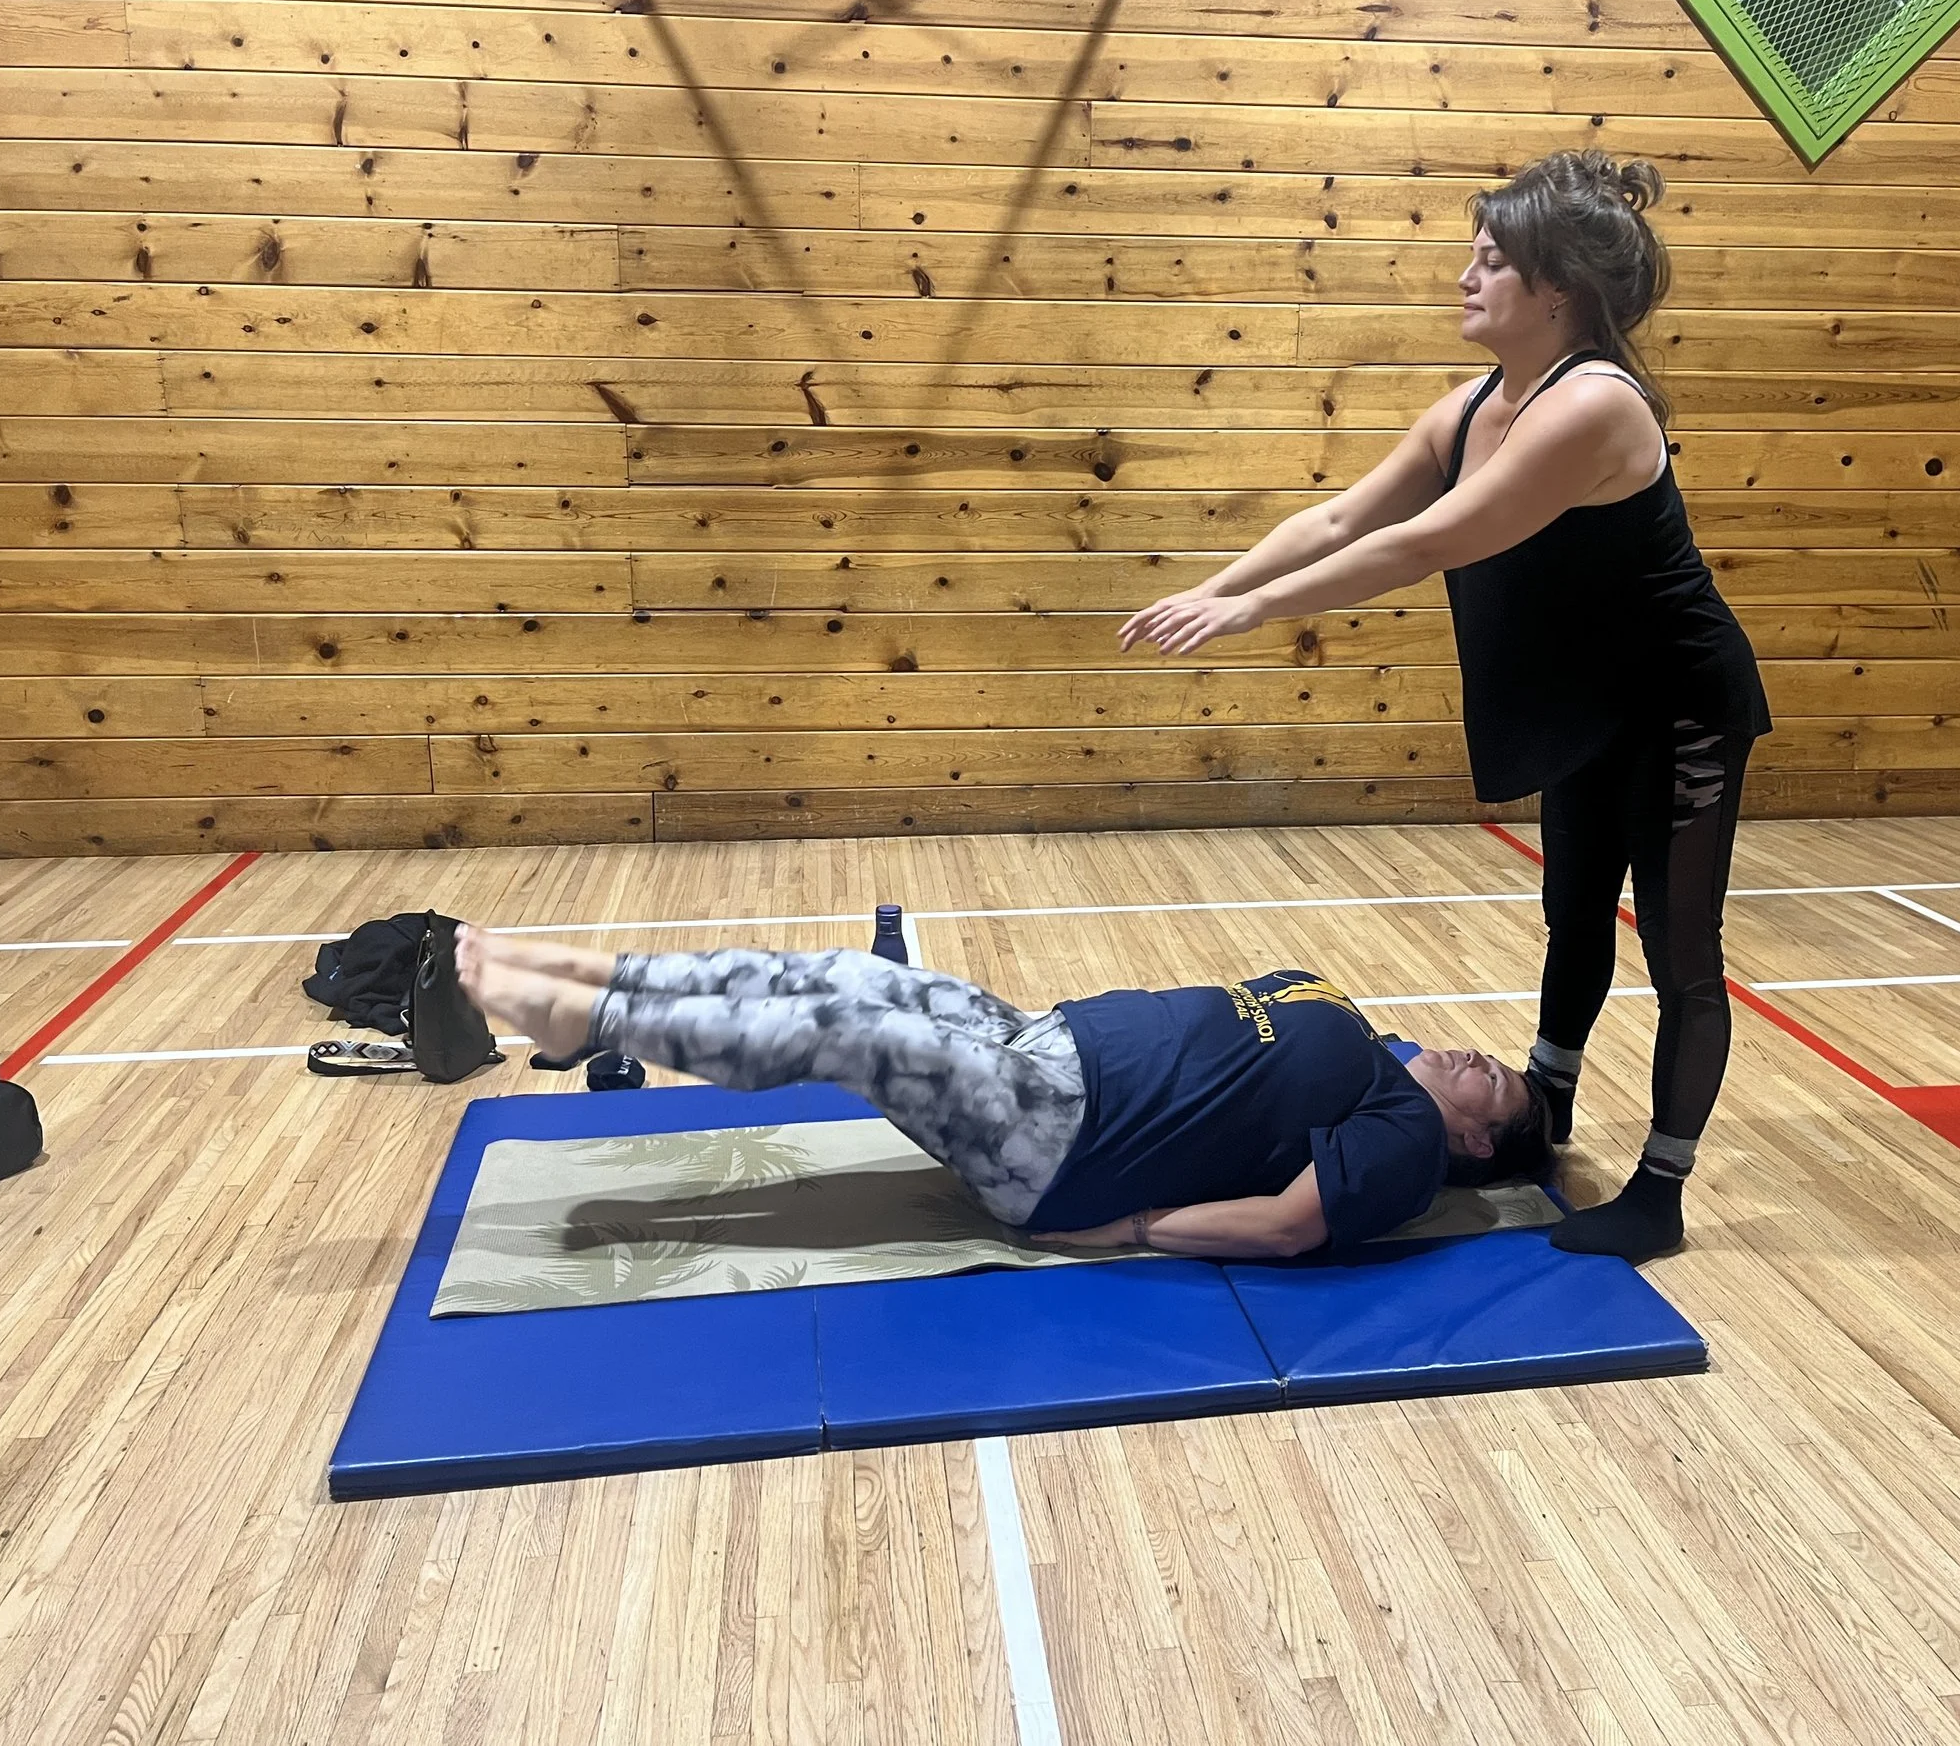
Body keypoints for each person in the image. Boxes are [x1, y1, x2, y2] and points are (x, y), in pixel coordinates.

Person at [1119, 150, 1771, 1264]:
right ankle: (1551, 1101)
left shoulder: (1594, 407)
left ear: (1556, 289)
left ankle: (1659, 1189)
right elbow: (1338, 523)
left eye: (1489, 262)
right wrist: (1217, 587)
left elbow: (1428, 542)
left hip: (1676, 705)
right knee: (1573, 915)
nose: (1464, 278)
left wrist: (1256, 613)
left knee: (1679, 952)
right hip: (1587, 699)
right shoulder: (1471, 405)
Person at [453, 926, 1550, 1259]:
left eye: (1487, 1086)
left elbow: (1290, 1224)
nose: (1470, 1059)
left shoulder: (1403, 1137)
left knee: (852, 1033)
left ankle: (580, 1022)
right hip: (1041, 1042)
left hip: (1063, 1146)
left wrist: (1128, 1228)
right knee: (853, 974)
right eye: (1484, 1057)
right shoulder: (1372, 1039)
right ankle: (591, 975)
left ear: (1466, 1145)